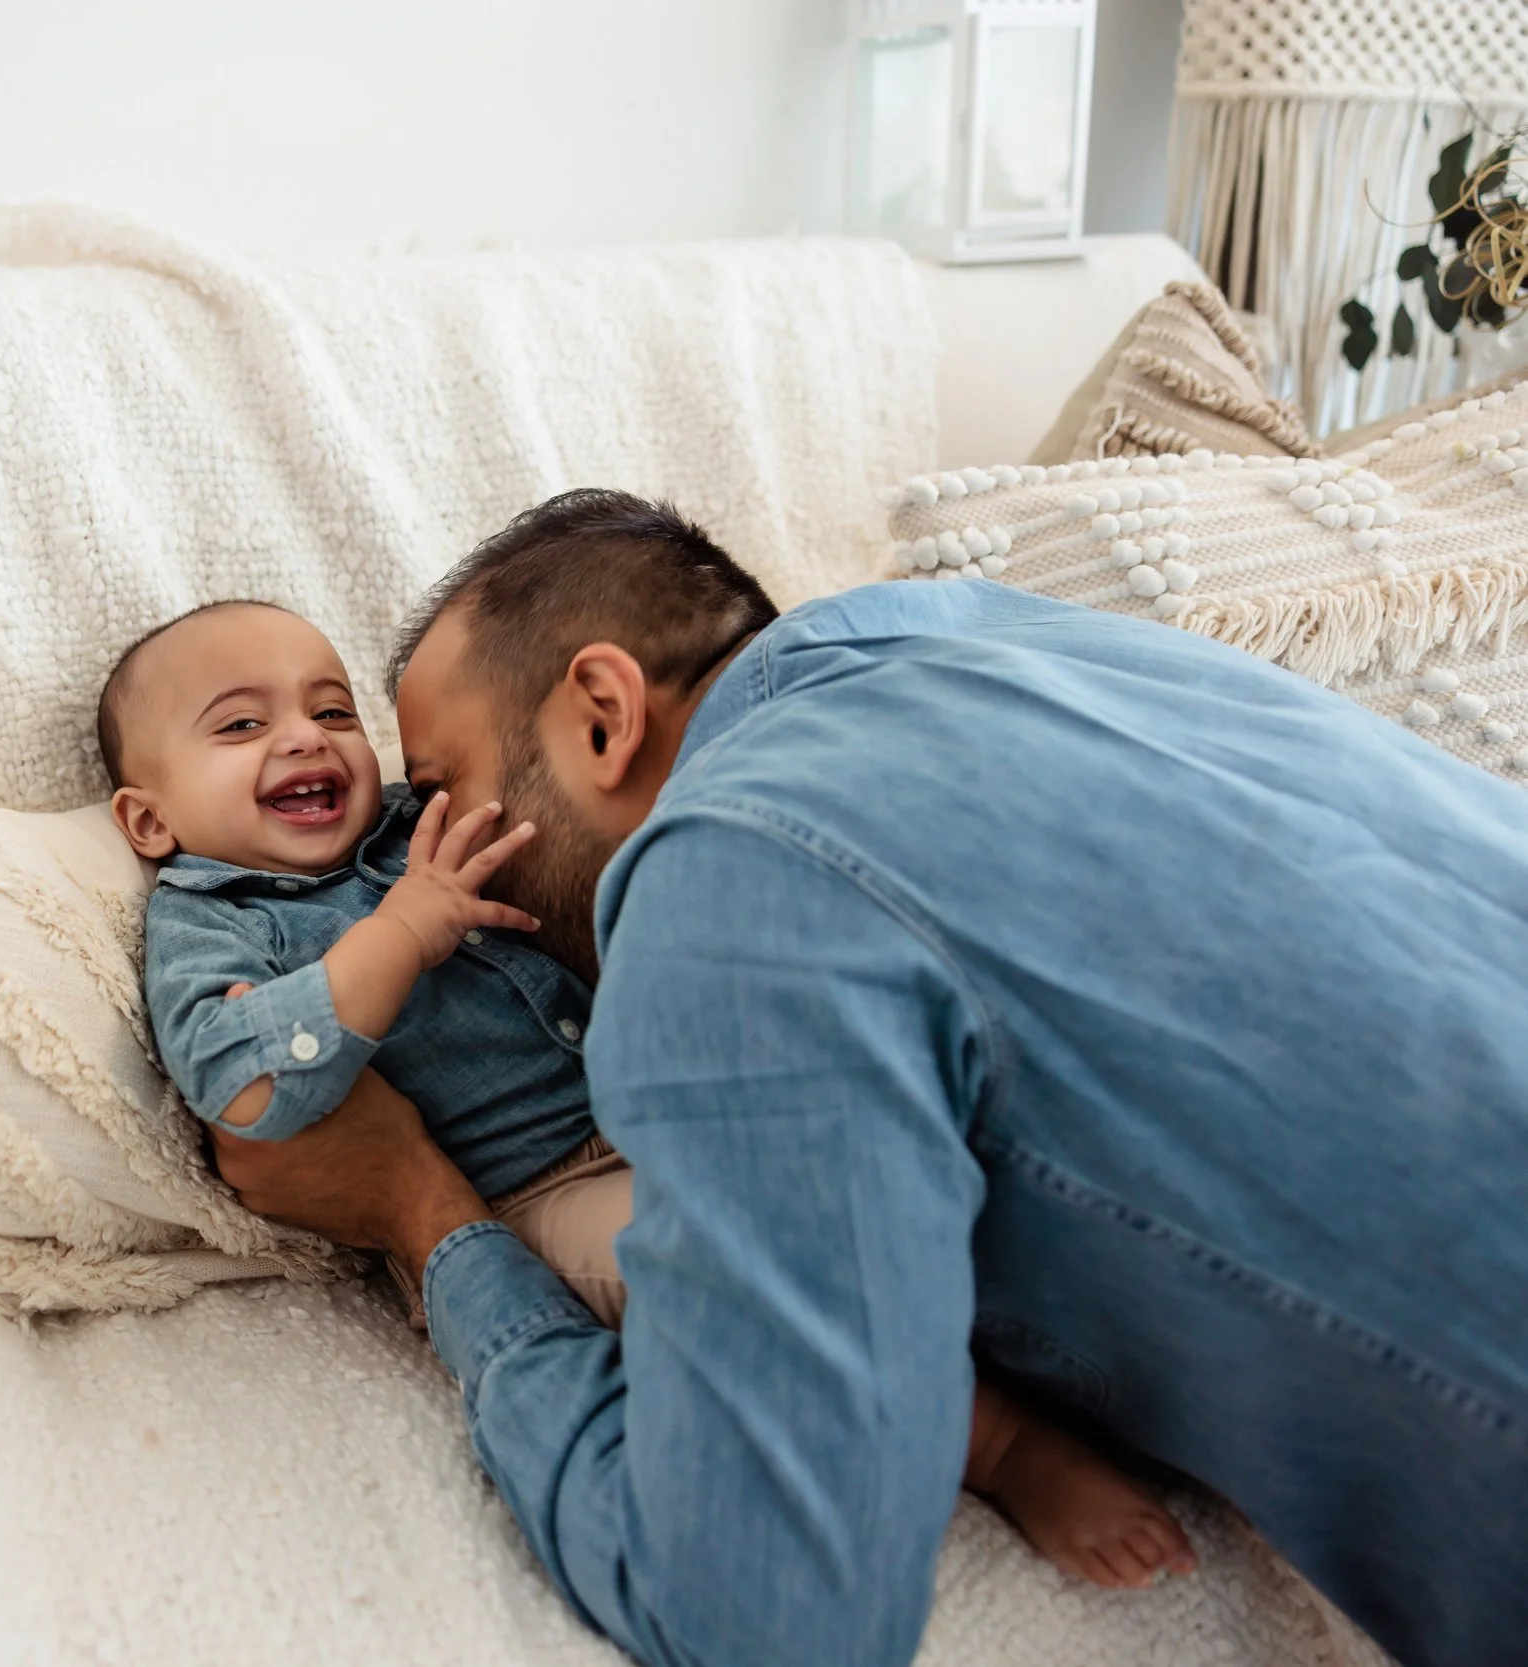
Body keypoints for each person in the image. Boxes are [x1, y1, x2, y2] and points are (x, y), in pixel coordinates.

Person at [208, 489, 1528, 1667]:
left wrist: (422, 1209)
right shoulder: (1007, 632)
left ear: (601, 715)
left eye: (447, 788)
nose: (421, 841)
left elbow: (767, 1612)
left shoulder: (728, 869)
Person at [98, 597, 1199, 1591]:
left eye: (331, 709)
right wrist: (398, 932)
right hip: (540, 1187)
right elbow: (242, 1089)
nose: (304, 737)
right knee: (731, 1262)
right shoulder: (213, 920)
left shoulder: (414, 822)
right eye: (241, 725)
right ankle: (1003, 1446)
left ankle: (1098, 1341)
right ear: (150, 821)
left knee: (872, 1175)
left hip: (654, 1086)